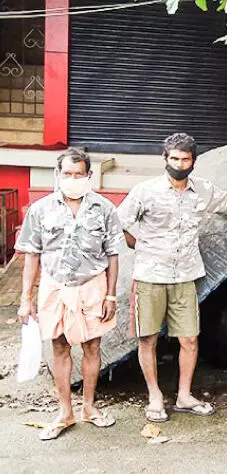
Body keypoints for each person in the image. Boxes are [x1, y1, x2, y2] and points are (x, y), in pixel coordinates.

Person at [117, 133, 227, 423]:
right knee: (147, 338)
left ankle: (184, 396)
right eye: (174, 158)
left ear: (193, 161)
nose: (179, 163)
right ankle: (155, 397)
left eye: (185, 159)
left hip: (186, 275)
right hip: (150, 275)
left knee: (189, 338)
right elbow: (119, 224)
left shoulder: (201, 190)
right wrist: (142, 247)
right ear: (165, 159)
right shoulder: (145, 191)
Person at [16, 149, 122, 440]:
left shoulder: (104, 209)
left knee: (92, 347)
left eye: (79, 174)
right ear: (57, 175)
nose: (73, 179)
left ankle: (89, 407)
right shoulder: (40, 210)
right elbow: (32, 255)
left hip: (93, 286)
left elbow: (113, 254)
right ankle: (65, 411)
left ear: (89, 176)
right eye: (67, 174)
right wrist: (26, 298)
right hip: (55, 287)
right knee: (60, 347)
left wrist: (111, 296)